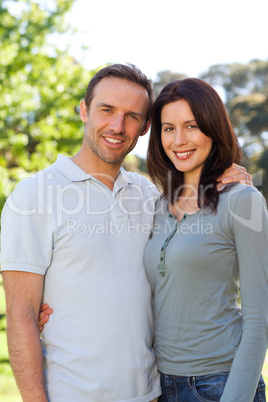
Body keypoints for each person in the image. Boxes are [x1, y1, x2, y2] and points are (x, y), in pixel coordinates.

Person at [1, 64, 252, 402]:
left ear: (146, 127)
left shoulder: (151, 197)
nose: (117, 126)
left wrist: (229, 178)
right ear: (84, 111)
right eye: (107, 110)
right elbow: (21, 316)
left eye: (132, 116)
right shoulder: (34, 196)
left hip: (154, 392)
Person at [144, 78, 268, 401]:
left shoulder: (242, 200)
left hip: (219, 384)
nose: (179, 139)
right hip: (162, 384)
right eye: (168, 128)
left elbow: (259, 321)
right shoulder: (157, 205)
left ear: (213, 128)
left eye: (192, 125)